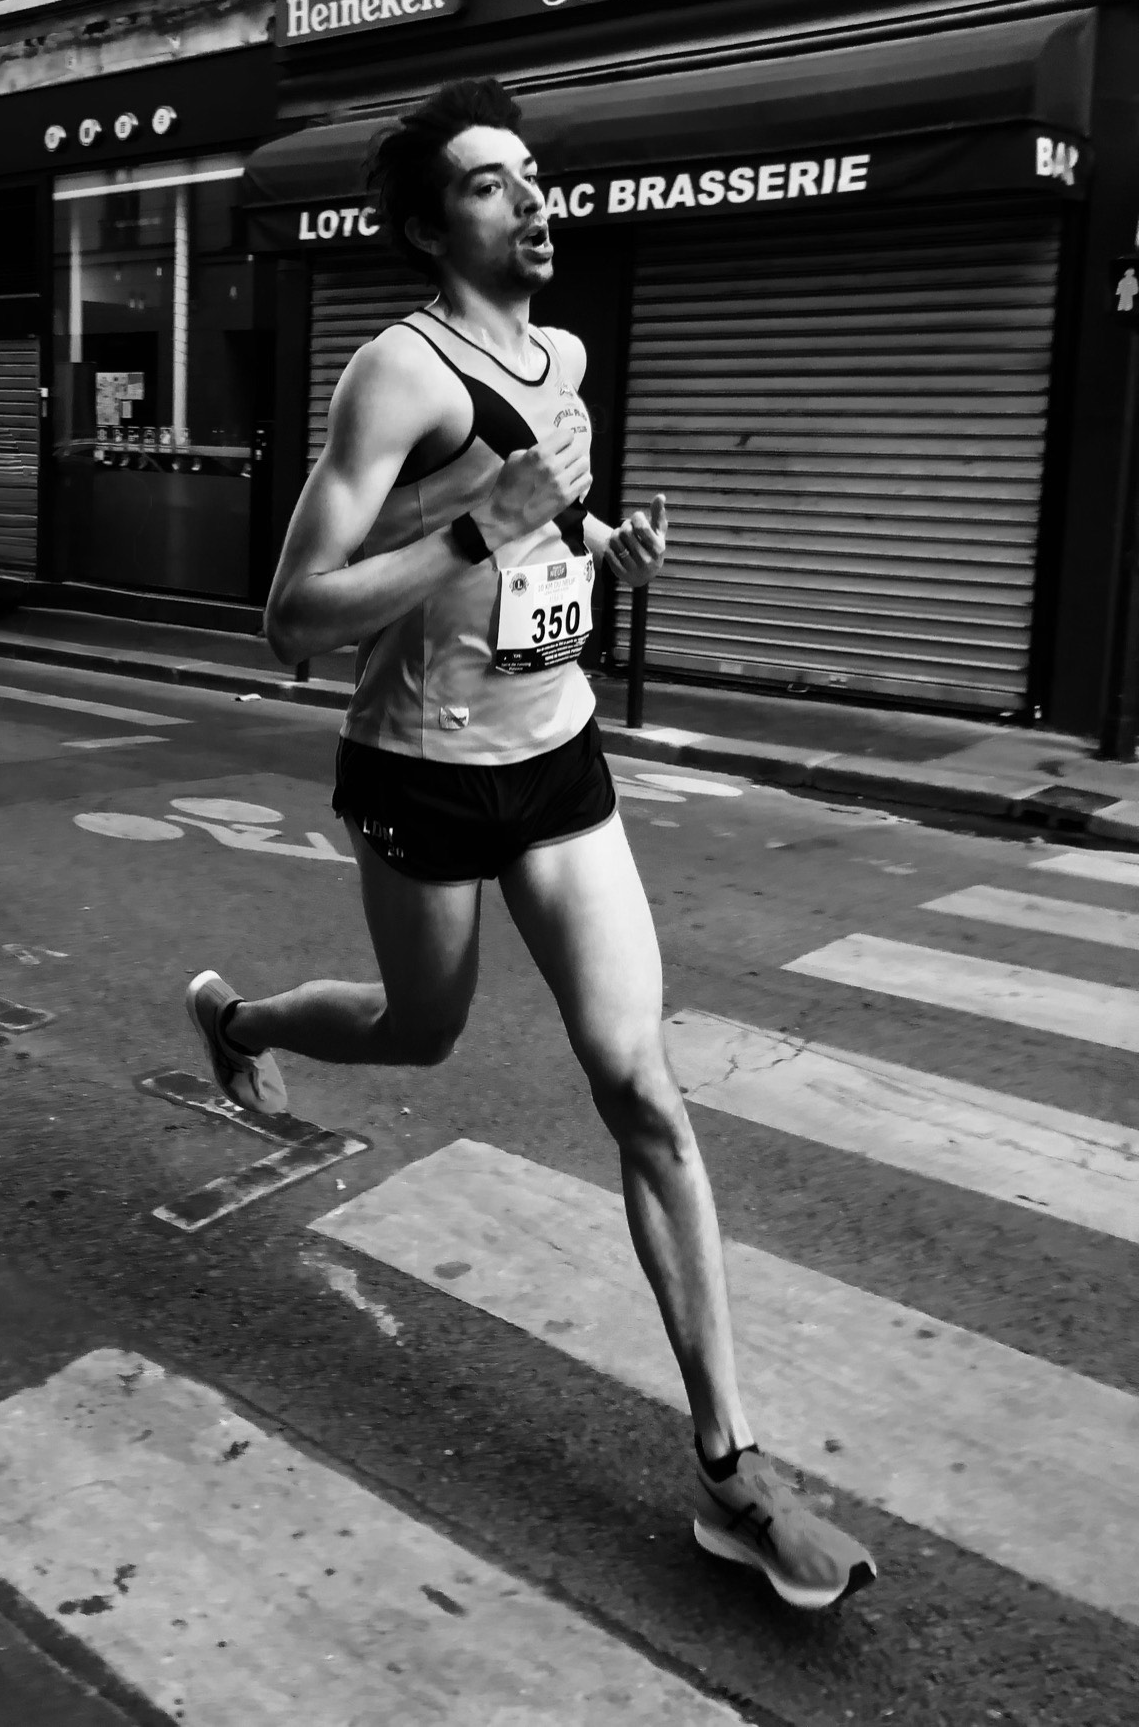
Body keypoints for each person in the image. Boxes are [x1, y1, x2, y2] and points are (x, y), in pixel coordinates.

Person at [186, 78, 875, 1611]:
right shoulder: (394, 372)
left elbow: (536, 530)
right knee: (420, 1031)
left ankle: (730, 1466)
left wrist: (593, 547)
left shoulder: (562, 353)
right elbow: (294, 618)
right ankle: (235, 1020)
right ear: (437, 224)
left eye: (537, 175)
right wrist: (480, 529)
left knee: (641, 1083)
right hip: (418, 777)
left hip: (556, 755)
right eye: (495, 184)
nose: (536, 200)